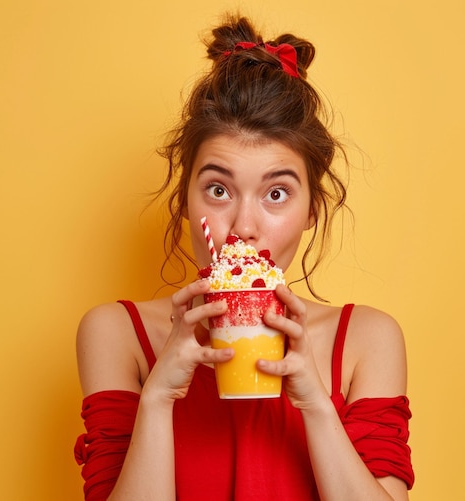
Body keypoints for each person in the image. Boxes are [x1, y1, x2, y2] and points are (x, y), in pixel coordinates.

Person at [74, 13, 414, 501]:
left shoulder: (367, 341)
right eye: (218, 189)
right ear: (185, 201)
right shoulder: (117, 334)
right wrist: (158, 399)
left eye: (276, 194)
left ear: (312, 210)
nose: (244, 227)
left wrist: (317, 405)